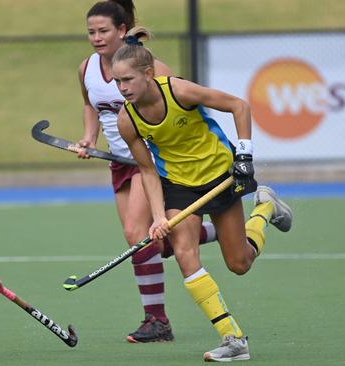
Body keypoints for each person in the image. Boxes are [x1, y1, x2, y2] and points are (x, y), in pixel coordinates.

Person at [113, 27, 293, 362]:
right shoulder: (128, 120)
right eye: (117, 82)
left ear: (149, 75)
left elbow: (238, 106)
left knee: (239, 263)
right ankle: (233, 339)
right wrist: (156, 216)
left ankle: (264, 208)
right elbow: (149, 171)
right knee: (183, 252)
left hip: (219, 175)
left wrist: (244, 155)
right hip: (177, 184)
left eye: (127, 81)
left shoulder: (179, 91)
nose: (122, 89)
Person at [76, 0, 217, 343]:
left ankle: (156, 320)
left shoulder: (150, 67)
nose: (96, 38)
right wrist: (88, 138)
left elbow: (178, 108)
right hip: (118, 163)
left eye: (103, 31)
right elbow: (89, 104)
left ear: (122, 30)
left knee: (135, 233)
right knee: (160, 244)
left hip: (150, 162)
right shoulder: (86, 69)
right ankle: (225, 232)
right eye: (91, 32)